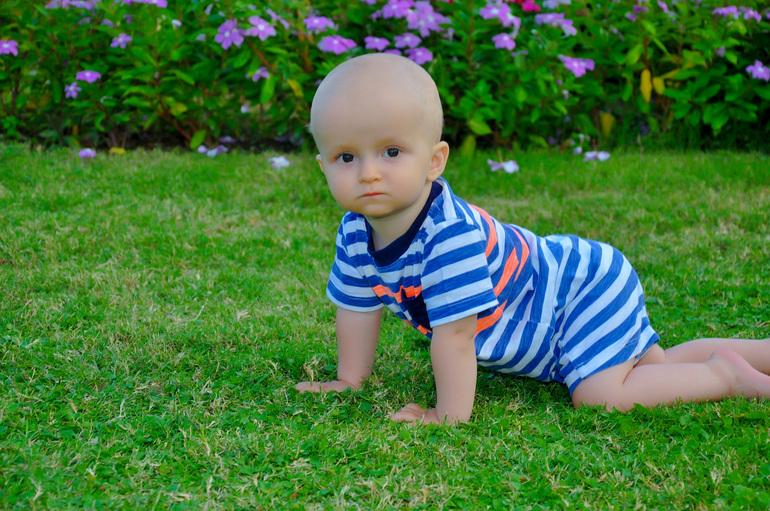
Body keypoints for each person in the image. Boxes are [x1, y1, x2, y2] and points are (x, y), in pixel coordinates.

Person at [295, 53, 770, 425]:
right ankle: (759, 352)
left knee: (601, 396)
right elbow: (357, 307)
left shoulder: (447, 235)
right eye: (346, 157)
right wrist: (350, 380)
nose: (369, 173)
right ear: (322, 166)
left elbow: (457, 336)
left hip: (577, 291)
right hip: (564, 290)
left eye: (391, 151)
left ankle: (725, 375)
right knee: (646, 369)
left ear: (435, 161)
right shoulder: (355, 232)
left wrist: (448, 415)